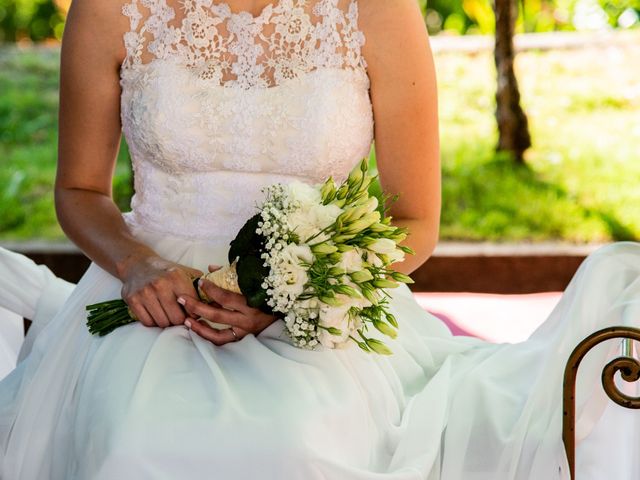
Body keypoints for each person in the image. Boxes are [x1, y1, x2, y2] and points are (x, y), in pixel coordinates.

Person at [0, 0, 639, 478]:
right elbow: (79, 191)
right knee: (133, 441)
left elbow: (415, 219)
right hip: (155, 296)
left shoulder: (379, 11)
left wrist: (294, 297)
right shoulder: (112, 7)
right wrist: (136, 264)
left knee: (304, 443)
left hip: (314, 305)